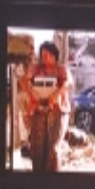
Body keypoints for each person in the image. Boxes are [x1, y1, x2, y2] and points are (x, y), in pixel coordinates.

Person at [19, 41, 73, 172]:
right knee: (37, 150)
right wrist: (33, 94)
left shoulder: (62, 69)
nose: (45, 58)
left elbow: (68, 83)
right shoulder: (36, 68)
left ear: (55, 55)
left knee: (53, 149)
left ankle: (54, 182)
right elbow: (24, 80)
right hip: (39, 110)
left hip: (58, 110)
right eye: (43, 55)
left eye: (48, 55)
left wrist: (55, 95)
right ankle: (38, 182)